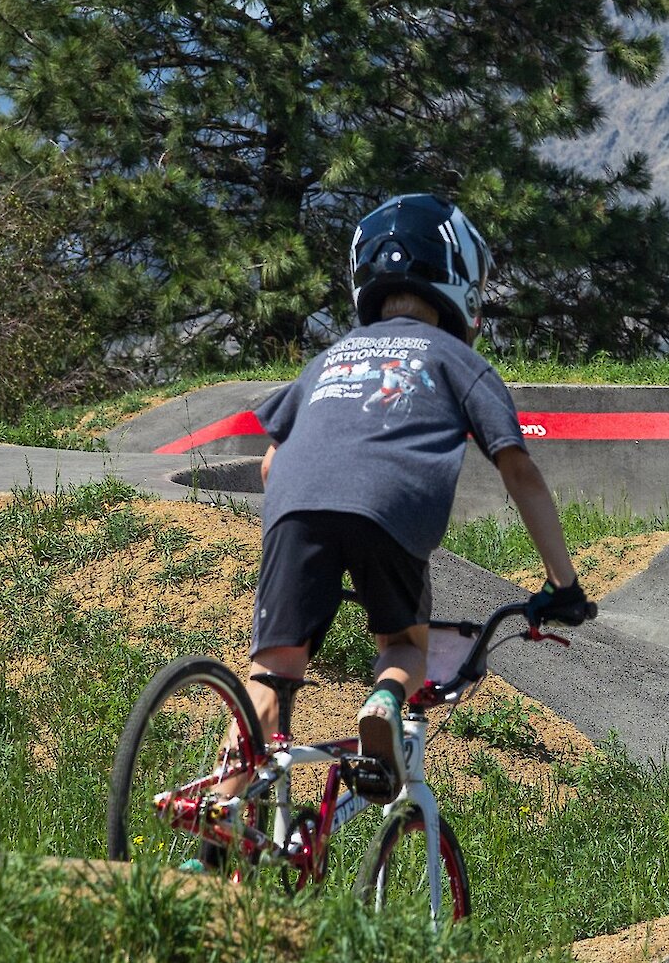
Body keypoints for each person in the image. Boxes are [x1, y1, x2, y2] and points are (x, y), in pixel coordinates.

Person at [243, 193, 591, 807]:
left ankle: (215, 820)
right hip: (390, 506)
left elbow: (271, 463)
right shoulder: (457, 359)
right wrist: (564, 586)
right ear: (459, 279)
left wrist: (317, 552)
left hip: (295, 506)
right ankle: (382, 700)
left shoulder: (329, 359)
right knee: (404, 643)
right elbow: (520, 471)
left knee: (272, 672)